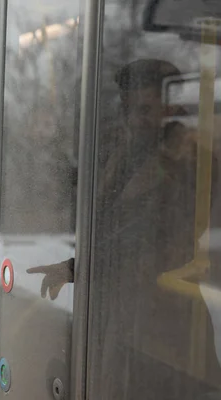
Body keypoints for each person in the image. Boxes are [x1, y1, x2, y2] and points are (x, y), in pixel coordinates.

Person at [29, 58, 221, 399]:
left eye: (146, 110)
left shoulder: (192, 163)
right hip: (122, 316)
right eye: (130, 109)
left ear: (171, 109)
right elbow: (109, 230)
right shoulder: (119, 157)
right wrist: (74, 268)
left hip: (164, 319)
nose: (136, 120)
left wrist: (83, 267)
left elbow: (152, 237)